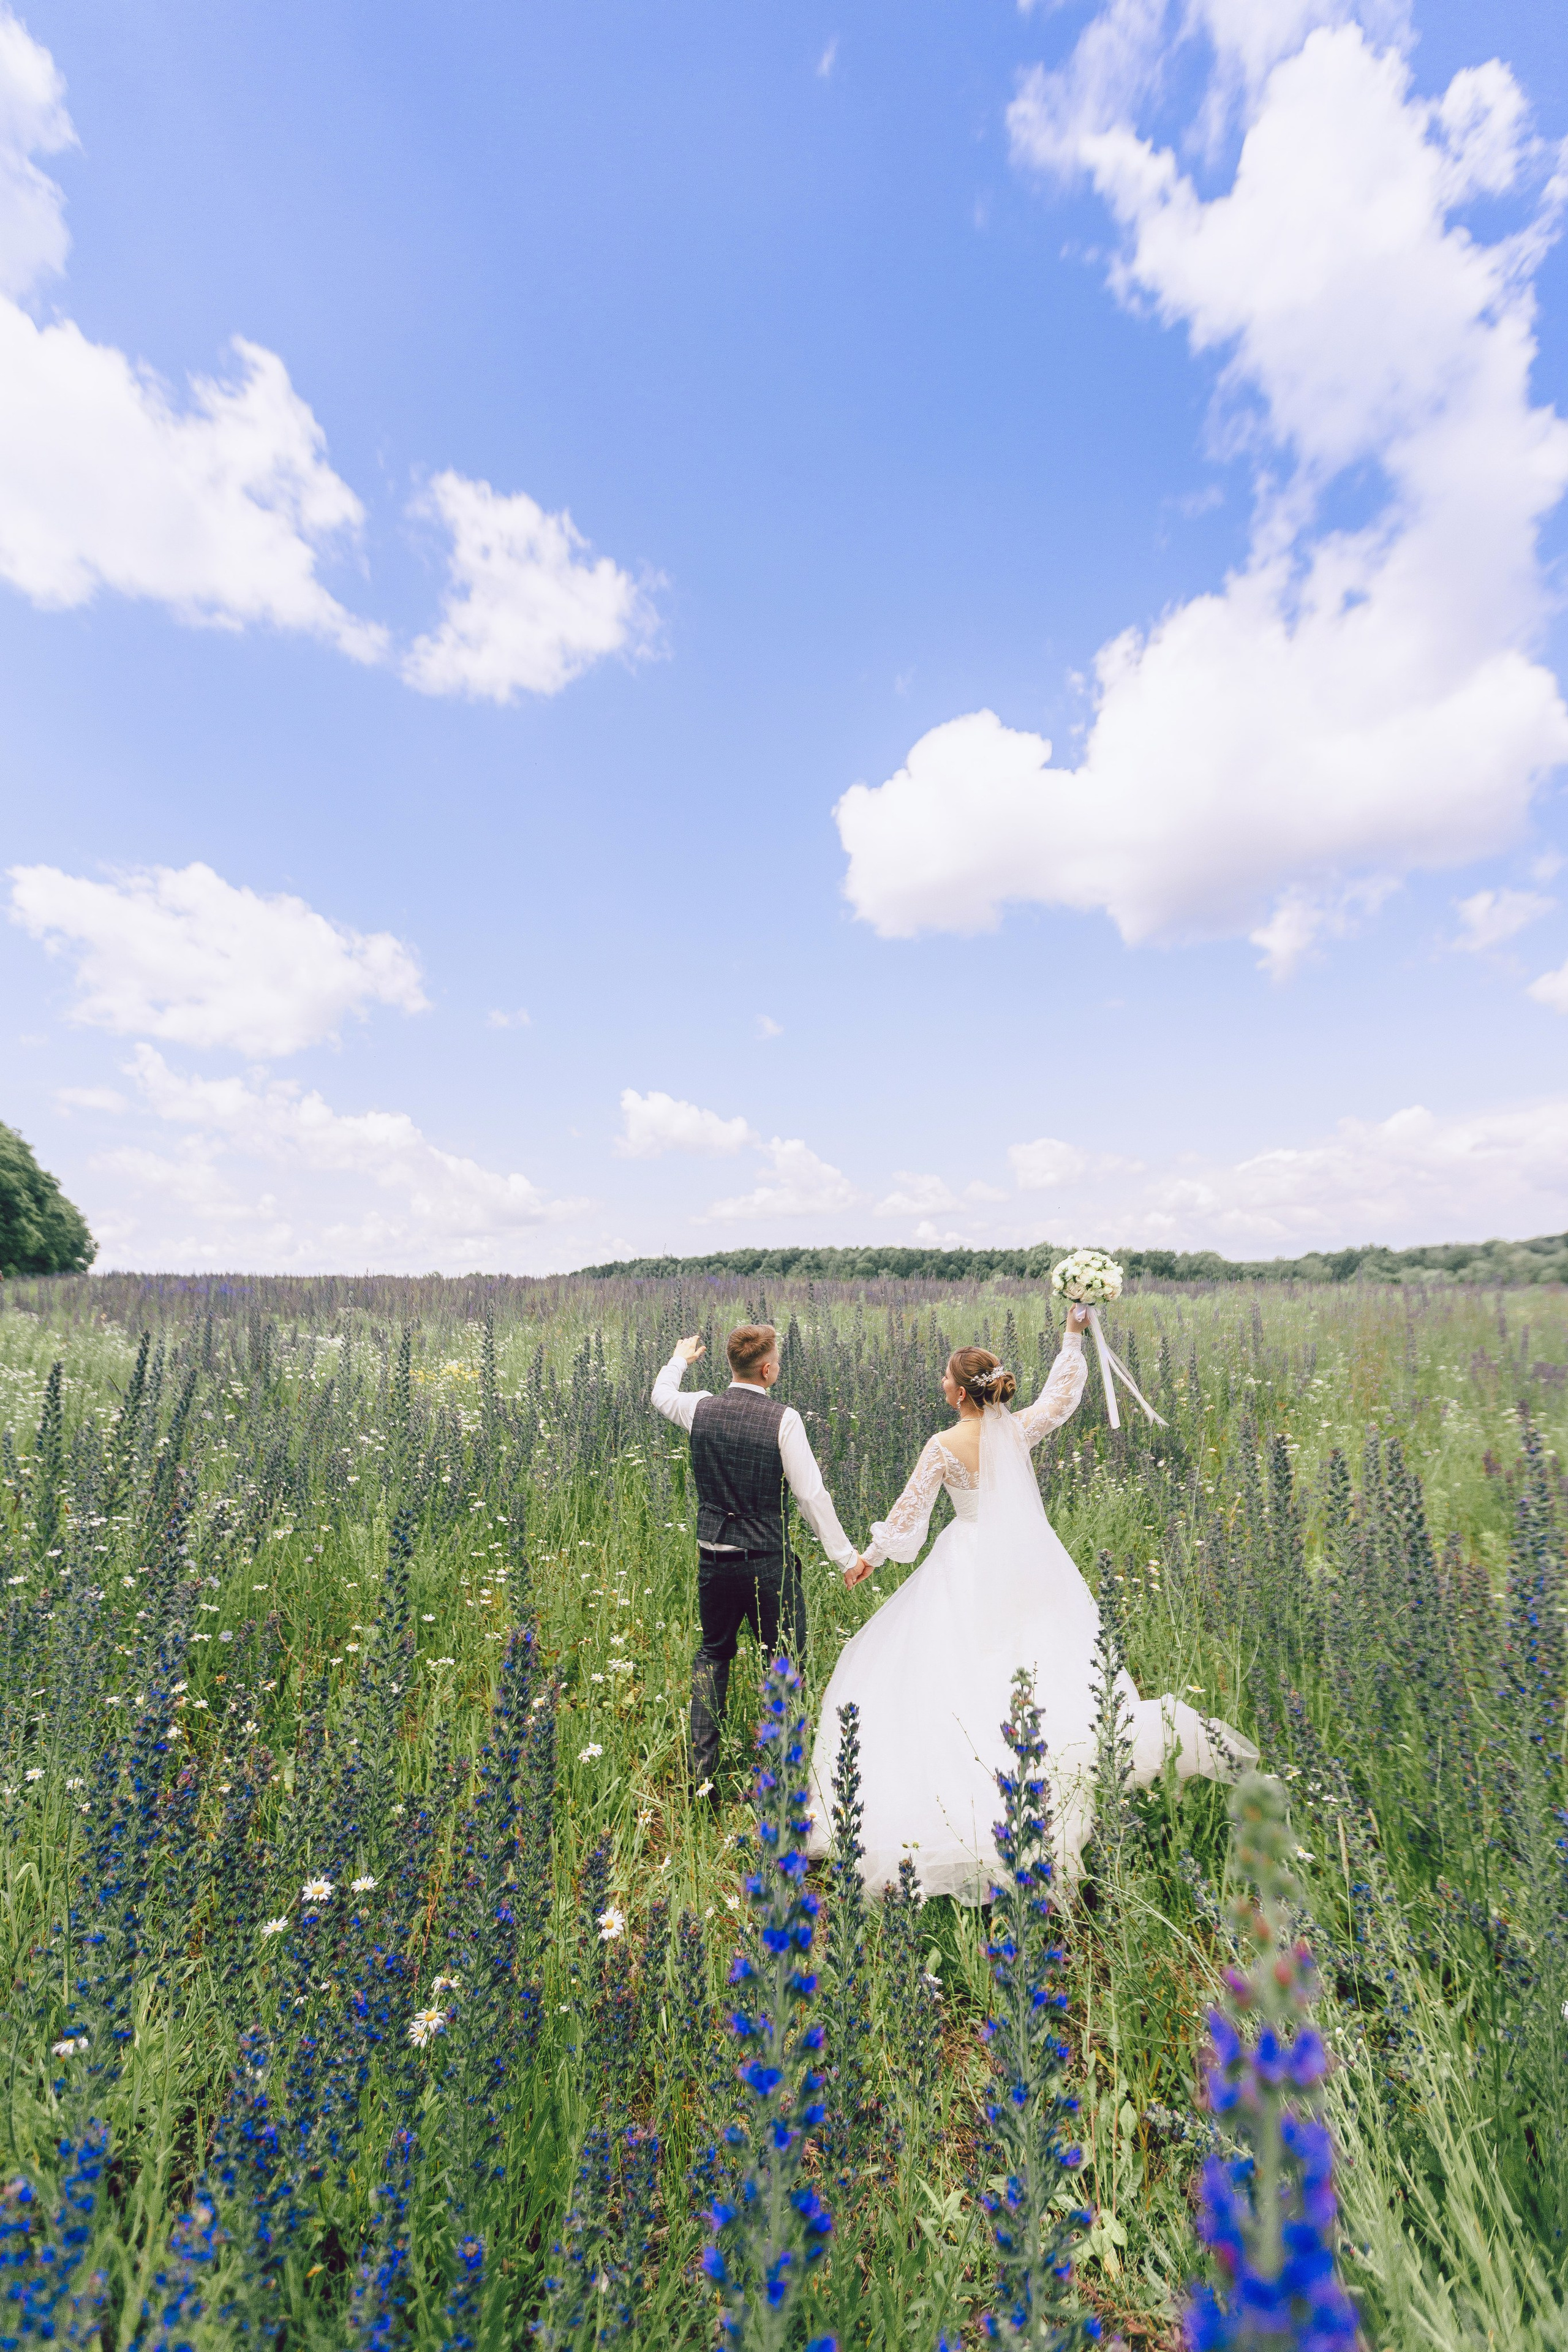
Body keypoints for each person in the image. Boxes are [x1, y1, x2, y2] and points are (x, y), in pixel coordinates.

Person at [806, 1307, 1256, 1899]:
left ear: (962, 1392)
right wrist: (1072, 1334)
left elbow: (906, 1515)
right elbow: (1060, 1398)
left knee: (955, 1676)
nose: (940, 1384)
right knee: (1040, 1662)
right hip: (1028, 1561)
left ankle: (969, 1808)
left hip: (966, 1563)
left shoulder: (942, 1446)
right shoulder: (1016, 1429)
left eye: (946, 1377)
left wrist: (869, 1557)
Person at [653, 1323, 870, 1807]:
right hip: (766, 1562)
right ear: (767, 1369)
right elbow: (811, 1495)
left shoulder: (700, 1408)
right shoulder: (783, 1419)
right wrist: (846, 1558)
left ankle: (701, 1783)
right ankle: (780, 1782)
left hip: (713, 1556)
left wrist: (679, 1357)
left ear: (731, 1365)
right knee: (784, 1662)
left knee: (713, 1655)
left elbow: (661, 1394)